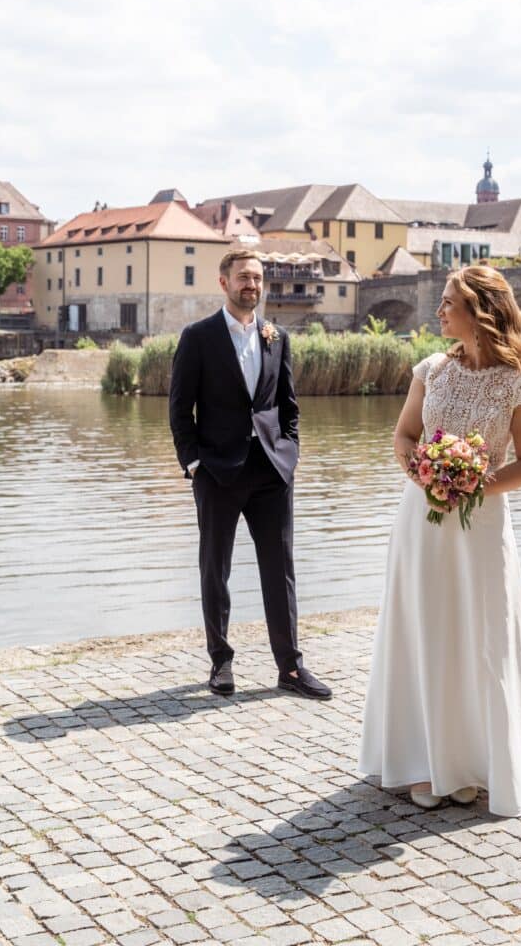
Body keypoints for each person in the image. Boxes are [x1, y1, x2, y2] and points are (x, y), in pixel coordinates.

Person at [359, 265, 521, 816]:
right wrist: (427, 477)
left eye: (448, 303)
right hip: (423, 521)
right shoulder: (431, 369)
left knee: (481, 635)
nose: (438, 311)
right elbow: (404, 436)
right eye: (440, 301)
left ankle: (469, 765)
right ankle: (424, 761)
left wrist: (475, 484)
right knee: (427, 629)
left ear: (480, 311)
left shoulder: (517, 382)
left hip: (482, 525)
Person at [169, 249, 331, 701]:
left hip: (272, 472)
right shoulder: (197, 337)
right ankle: (221, 661)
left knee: (280, 570)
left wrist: (290, 454)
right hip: (217, 472)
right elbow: (180, 410)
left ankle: (291, 668)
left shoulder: (276, 337)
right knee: (214, 569)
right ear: (223, 282)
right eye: (243, 277)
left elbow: (288, 406)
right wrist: (194, 462)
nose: (252, 285)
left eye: (257, 278)